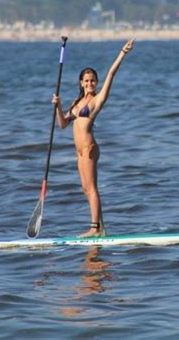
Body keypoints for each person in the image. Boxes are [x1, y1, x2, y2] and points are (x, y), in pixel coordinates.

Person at [52, 39, 135, 237]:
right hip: (79, 152)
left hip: (89, 148)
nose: (90, 83)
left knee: (92, 188)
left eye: (93, 80)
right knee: (85, 189)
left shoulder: (98, 100)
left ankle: (95, 229)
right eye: (86, 81)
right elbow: (63, 124)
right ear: (81, 83)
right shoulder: (77, 102)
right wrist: (57, 105)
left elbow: (112, 74)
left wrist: (122, 52)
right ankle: (101, 227)